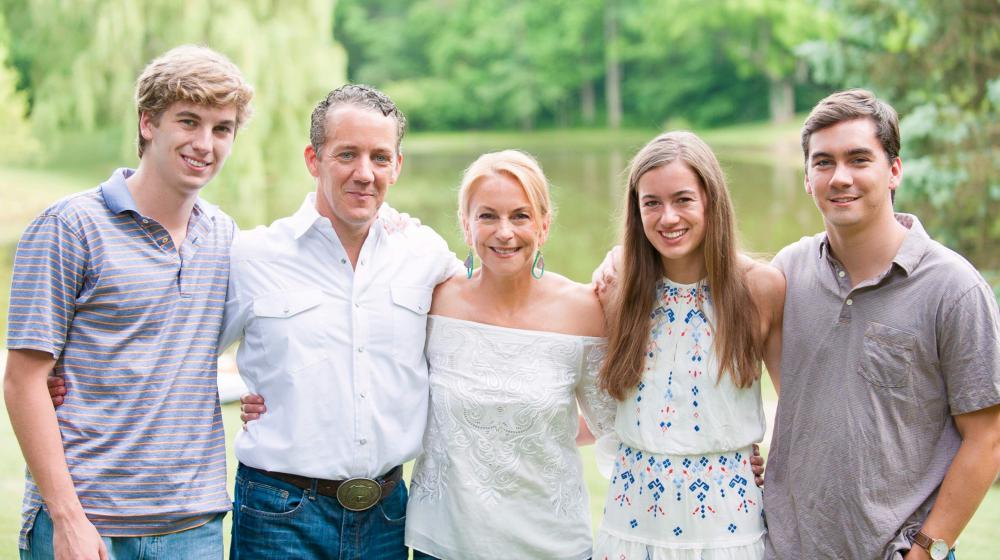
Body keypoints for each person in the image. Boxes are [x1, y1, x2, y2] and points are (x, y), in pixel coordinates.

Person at [5, 45, 253, 559]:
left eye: (222, 128)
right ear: (147, 123)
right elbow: (24, 380)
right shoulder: (69, 228)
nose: (204, 144)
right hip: (87, 523)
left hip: (195, 527)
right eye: (188, 121)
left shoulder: (226, 237)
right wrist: (66, 517)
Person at [218, 84, 461, 559]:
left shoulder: (424, 252)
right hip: (279, 514)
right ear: (314, 159)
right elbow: (178, 352)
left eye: (380, 157)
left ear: (398, 165)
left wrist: (612, 271)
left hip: (388, 516)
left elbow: (496, 304)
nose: (365, 174)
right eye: (347, 154)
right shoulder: (252, 256)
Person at [763, 89, 1000, 560]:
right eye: (823, 162)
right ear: (808, 178)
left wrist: (927, 550)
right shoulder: (787, 271)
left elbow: (987, 437)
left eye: (858, 159)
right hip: (784, 548)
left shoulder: (954, 288)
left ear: (894, 170)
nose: (840, 177)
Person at [403, 150, 615, 559]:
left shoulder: (584, 309)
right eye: (487, 216)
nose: (505, 232)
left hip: (551, 545)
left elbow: (615, 422)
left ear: (544, 224)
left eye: (520, 216)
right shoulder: (433, 300)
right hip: (445, 542)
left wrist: (533, 430)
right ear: (466, 225)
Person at [594, 131, 785, 560]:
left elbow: (797, 406)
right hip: (633, 520)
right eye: (652, 203)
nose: (668, 218)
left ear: (711, 200)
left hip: (727, 526)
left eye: (683, 199)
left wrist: (771, 467)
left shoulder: (759, 287)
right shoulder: (617, 290)